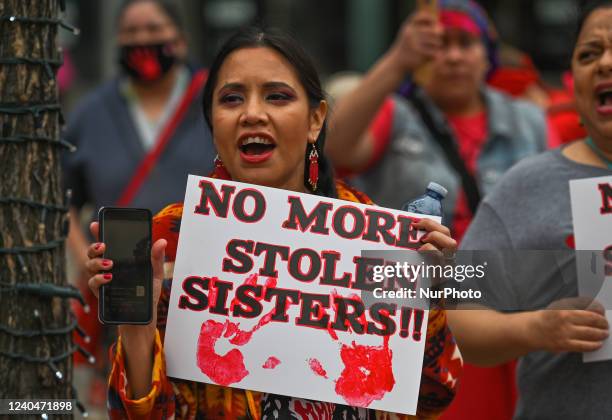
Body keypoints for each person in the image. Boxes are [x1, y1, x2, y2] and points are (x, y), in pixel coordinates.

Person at [84, 27, 462, 419]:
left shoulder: (372, 235)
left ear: (315, 119)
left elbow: (431, 395)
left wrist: (426, 300)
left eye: (277, 96)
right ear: (213, 124)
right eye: (231, 99)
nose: (252, 114)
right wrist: (137, 328)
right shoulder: (170, 240)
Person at [448, 0, 612, 418]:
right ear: (572, 78)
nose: (605, 63)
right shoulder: (528, 184)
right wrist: (536, 328)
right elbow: (459, 313)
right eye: (589, 54)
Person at [62, 0, 215, 406]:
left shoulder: (216, 103)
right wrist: (88, 262)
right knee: (131, 396)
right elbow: (62, 196)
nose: (142, 41)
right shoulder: (91, 112)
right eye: (130, 33)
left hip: (206, 298)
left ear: (179, 40)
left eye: (153, 30)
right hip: (119, 295)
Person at [326, 0, 548, 243]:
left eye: (465, 42)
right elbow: (334, 150)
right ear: (419, 56)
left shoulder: (529, 119)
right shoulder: (394, 113)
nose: (453, 57)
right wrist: (398, 60)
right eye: (440, 44)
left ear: (487, 56)